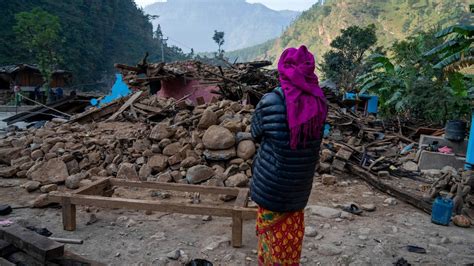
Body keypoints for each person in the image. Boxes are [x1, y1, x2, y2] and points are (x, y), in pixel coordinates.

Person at [250, 45, 328, 265]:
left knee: (269, 237)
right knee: (289, 238)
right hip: (299, 188)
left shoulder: (270, 101)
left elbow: (255, 133)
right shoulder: (319, 104)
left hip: (270, 185)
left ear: (283, 69)